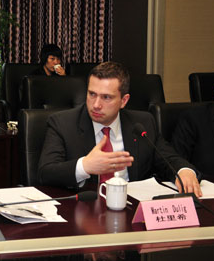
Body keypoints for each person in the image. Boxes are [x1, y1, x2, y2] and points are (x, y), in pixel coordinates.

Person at [37, 61, 201, 196]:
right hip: (84, 210)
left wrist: (184, 171)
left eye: (106, 97)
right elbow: (45, 173)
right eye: (92, 94)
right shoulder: (62, 123)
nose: (96, 104)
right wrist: (85, 166)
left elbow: (168, 159)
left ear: (124, 101)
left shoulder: (142, 123)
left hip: (132, 209)